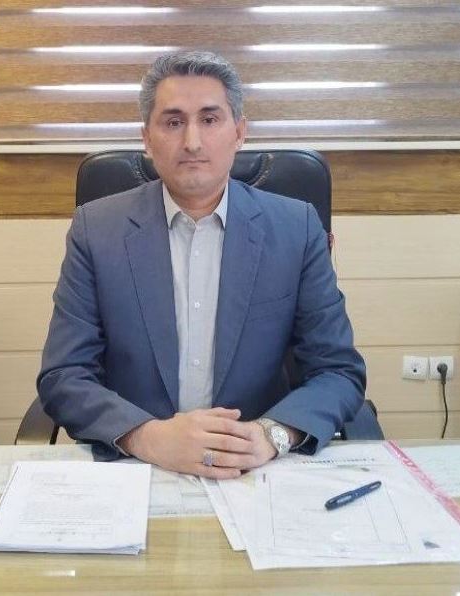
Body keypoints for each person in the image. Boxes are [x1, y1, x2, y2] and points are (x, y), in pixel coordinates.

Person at [37, 51, 366, 480]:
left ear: (239, 132)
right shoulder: (96, 230)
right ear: (147, 138)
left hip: (256, 469)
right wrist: (147, 437)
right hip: (138, 466)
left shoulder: (296, 228)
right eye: (173, 122)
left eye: (210, 120)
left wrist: (272, 435)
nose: (192, 141)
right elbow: (64, 375)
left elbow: (338, 371)